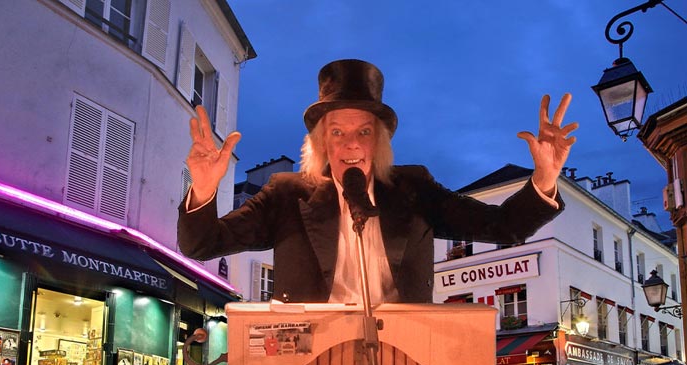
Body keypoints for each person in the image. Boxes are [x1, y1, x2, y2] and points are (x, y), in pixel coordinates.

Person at [178, 59, 577, 304]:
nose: (351, 144)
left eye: (364, 132)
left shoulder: (414, 189)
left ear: (379, 141)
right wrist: (205, 188)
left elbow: (504, 226)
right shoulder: (285, 194)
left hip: (405, 364)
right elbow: (202, 244)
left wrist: (544, 176)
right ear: (321, 143)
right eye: (337, 132)